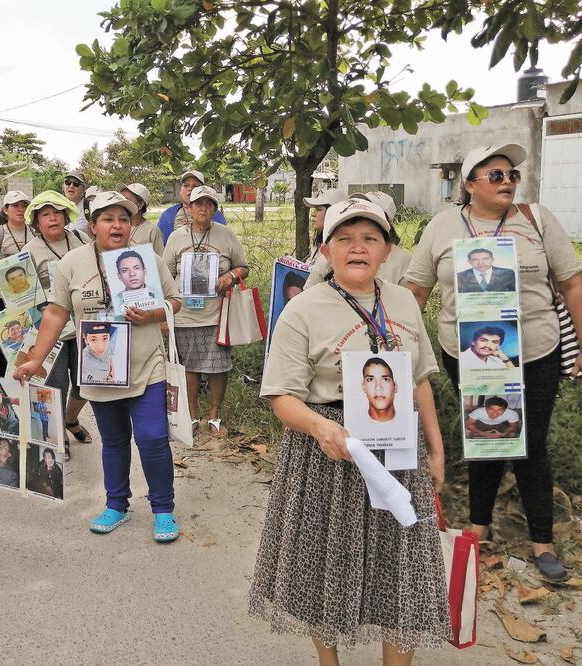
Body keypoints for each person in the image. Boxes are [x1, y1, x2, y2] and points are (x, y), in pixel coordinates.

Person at [249, 198, 450, 664]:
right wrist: (322, 428)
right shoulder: (301, 311)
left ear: (387, 251)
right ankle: (329, 660)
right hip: (328, 452)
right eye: (344, 238)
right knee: (325, 564)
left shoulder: (401, 300)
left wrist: (435, 451)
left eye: (370, 238)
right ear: (325, 250)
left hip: (399, 448)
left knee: (403, 567)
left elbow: (418, 380)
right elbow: (281, 396)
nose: (357, 247)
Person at [404, 142, 582, 581]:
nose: (508, 182)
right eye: (496, 175)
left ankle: (542, 541)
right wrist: (402, 347)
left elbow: (573, 282)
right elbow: (416, 290)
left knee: (530, 440)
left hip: (536, 351)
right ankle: (479, 527)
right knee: (484, 431)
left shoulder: (536, 220)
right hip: (466, 354)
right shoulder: (444, 226)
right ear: (469, 184)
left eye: (512, 175)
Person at [14, 191, 182, 542]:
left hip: (146, 365)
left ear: (131, 225)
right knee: (115, 440)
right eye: (108, 219)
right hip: (99, 368)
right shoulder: (72, 263)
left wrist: (153, 314)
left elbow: (175, 300)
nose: (117, 225)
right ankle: (116, 504)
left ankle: (163, 508)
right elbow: (57, 312)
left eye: (123, 218)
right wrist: (36, 358)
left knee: (152, 438)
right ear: (93, 226)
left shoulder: (147, 258)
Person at [162, 185, 249, 437]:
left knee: (218, 367)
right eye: (198, 203)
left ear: (215, 209)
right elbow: (165, 274)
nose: (203, 208)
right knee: (190, 367)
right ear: (188, 208)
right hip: (185, 315)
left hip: (216, 314)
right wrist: (166, 311)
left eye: (209, 204)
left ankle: (215, 416)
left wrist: (231, 275)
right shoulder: (177, 238)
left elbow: (243, 266)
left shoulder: (226, 235)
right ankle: (192, 415)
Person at [23, 189, 92, 458]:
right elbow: (19, 294)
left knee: (88, 382)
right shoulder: (30, 251)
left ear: (66, 216)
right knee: (56, 383)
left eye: (57, 213)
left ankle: (70, 419)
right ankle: (58, 434)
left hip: (87, 324)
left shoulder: (81, 240)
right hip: (53, 329)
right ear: (37, 222)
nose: (53, 219)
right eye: (45, 214)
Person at [305, 190, 412, 287]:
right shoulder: (333, 251)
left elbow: (408, 302)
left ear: (386, 222)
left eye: (370, 214)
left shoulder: (403, 260)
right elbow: (308, 295)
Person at [0, 190, 35, 375]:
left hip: (29, 295)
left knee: (29, 341)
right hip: (2, 298)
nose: (20, 209)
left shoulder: (35, 232)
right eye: (15, 205)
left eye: (24, 205)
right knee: (2, 344)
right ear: (5, 209)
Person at [157, 170, 227, 243]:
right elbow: (160, 245)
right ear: (180, 190)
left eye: (195, 186)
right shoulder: (168, 215)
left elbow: (223, 242)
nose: (190, 189)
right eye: (186, 185)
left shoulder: (216, 215)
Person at [301, 188, 347, 264]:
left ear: (333, 213)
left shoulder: (339, 249)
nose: (313, 214)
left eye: (318, 210)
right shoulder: (321, 241)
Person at [119, 182, 164, 255]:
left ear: (140, 205)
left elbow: (160, 260)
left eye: (127, 200)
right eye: (120, 199)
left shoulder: (152, 230)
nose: (122, 203)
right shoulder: (114, 226)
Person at [361, 356, 397, 422]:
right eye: (370, 379)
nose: (378, 388)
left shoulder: (409, 421)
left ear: (395, 386)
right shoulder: (352, 422)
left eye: (385, 379)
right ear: (363, 386)